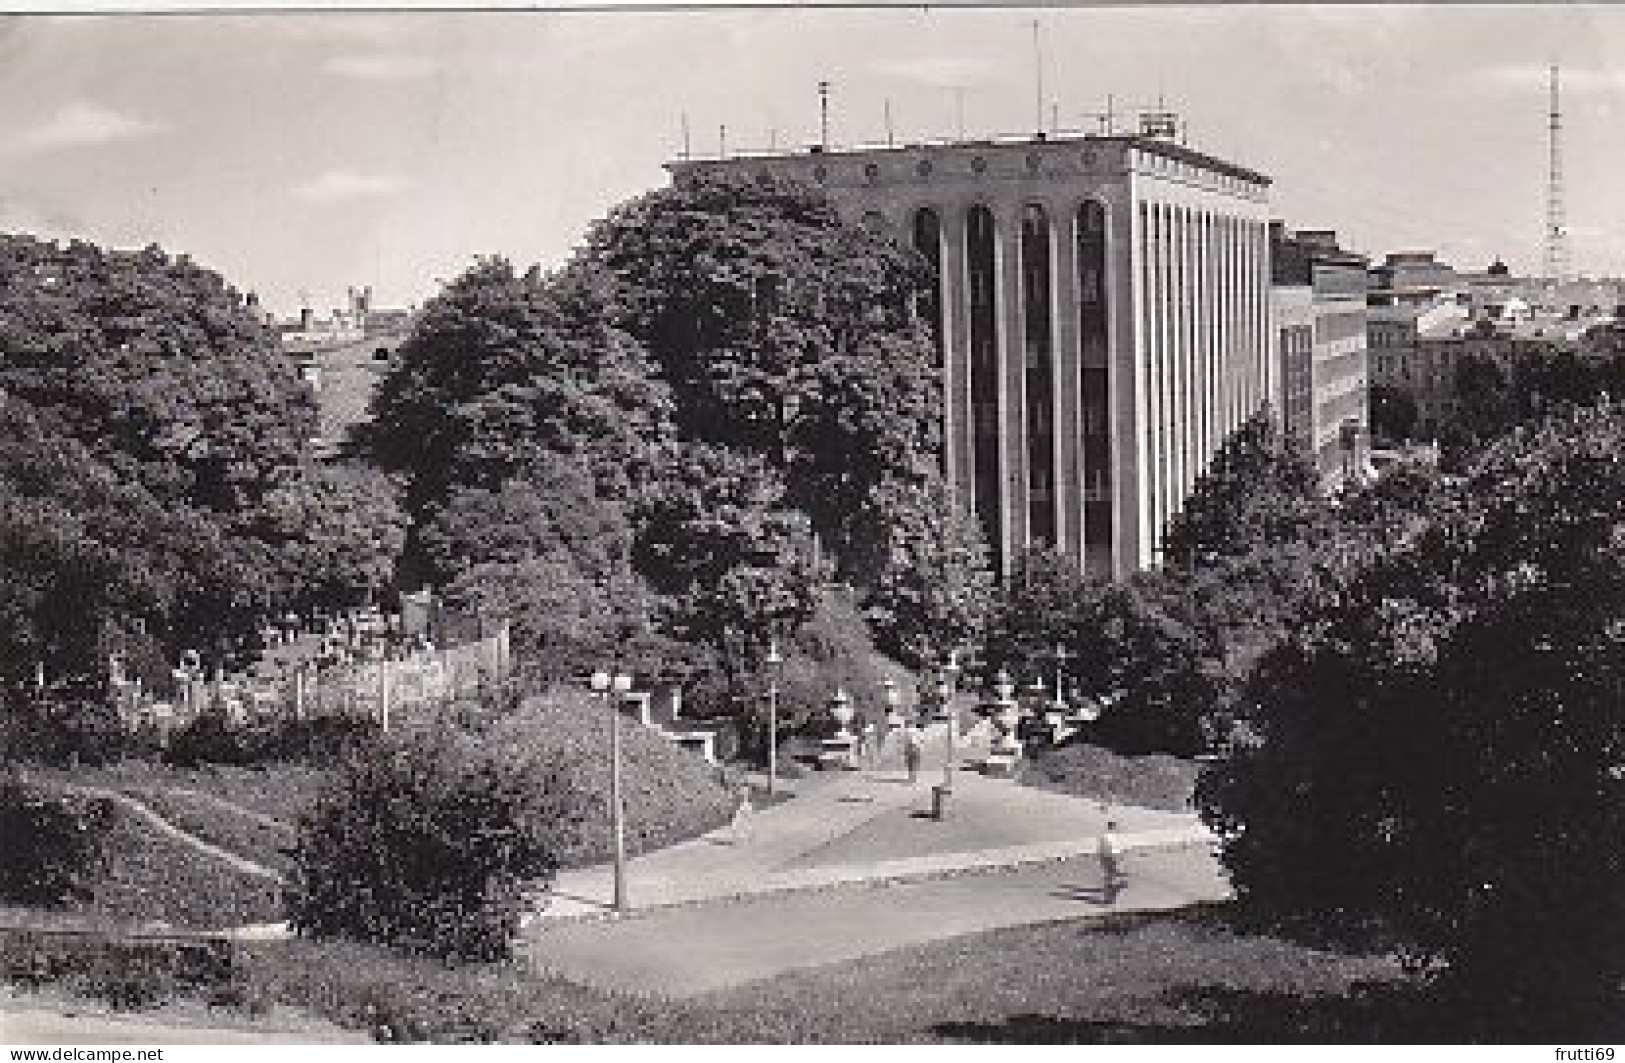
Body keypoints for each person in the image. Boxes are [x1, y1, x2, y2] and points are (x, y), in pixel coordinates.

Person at [1098, 819, 1124, 904]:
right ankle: (1109, 897)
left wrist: (1101, 858)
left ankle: (1109, 895)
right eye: (1114, 827)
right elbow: (1115, 849)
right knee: (1112, 877)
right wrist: (1119, 857)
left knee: (1109, 876)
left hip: (1105, 857)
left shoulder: (1103, 836)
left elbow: (1101, 849)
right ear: (1113, 827)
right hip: (1112, 857)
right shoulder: (1113, 837)